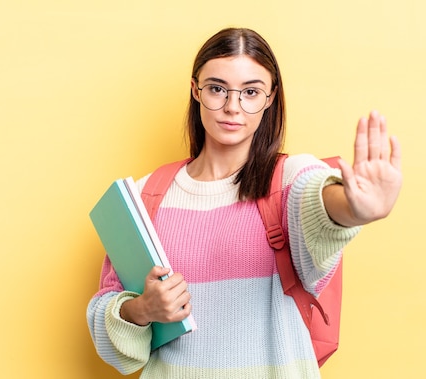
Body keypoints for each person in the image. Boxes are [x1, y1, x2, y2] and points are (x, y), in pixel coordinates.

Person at [87, 27, 402, 378]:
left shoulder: (288, 177)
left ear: (270, 98)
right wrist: (142, 309)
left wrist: (353, 209)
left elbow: (318, 203)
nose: (232, 107)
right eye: (217, 89)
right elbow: (107, 318)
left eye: (250, 92)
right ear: (195, 90)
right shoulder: (148, 194)